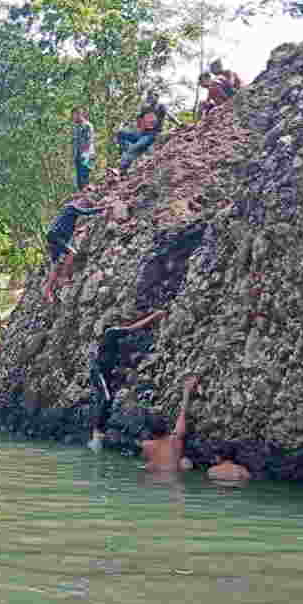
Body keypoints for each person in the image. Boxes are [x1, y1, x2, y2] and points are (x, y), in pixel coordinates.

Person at [88, 310, 168, 451]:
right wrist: (155, 316)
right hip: (99, 371)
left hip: (105, 371)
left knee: (106, 399)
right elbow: (133, 328)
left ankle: (100, 432)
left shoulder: (112, 339)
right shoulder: (112, 331)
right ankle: (96, 434)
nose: (125, 324)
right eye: (123, 322)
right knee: (106, 398)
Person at [42, 197, 110, 302]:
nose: (83, 206)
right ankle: (63, 277)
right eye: (84, 205)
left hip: (54, 236)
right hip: (55, 236)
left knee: (55, 266)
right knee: (71, 252)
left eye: (85, 205)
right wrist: (103, 208)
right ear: (81, 202)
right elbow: (85, 212)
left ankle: (48, 291)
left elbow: (68, 229)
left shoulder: (70, 213)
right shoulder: (71, 207)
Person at [141, 376, 198, 472]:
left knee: (148, 465)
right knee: (184, 463)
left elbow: (146, 458)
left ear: (151, 433)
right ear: (167, 428)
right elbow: (182, 413)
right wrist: (186, 391)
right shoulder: (175, 440)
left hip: (155, 478)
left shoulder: (146, 445)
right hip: (175, 479)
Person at [114, 90, 179, 174]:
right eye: (148, 97)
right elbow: (138, 119)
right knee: (121, 133)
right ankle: (126, 150)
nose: (149, 98)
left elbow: (170, 115)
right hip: (141, 133)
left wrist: (179, 124)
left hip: (152, 134)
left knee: (134, 148)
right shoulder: (145, 108)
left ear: (156, 97)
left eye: (151, 96)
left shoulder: (160, 107)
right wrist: (127, 123)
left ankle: (122, 169)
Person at [71, 107, 95, 191]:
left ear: (80, 114)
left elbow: (89, 141)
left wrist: (84, 154)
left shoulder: (87, 126)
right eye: (73, 115)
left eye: (75, 115)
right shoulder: (75, 127)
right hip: (77, 155)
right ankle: (80, 199)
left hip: (86, 155)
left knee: (85, 178)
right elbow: (74, 142)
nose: (73, 117)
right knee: (79, 181)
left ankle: (88, 197)